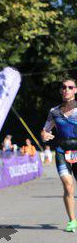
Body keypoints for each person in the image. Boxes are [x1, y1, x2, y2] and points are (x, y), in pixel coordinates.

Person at [41, 77, 77, 232]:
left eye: (70, 87)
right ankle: (72, 221)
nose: (66, 89)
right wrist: (44, 135)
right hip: (62, 151)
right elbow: (45, 130)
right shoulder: (54, 111)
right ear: (60, 90)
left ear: (75, 90)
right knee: (68, 186)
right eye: (64, 87)